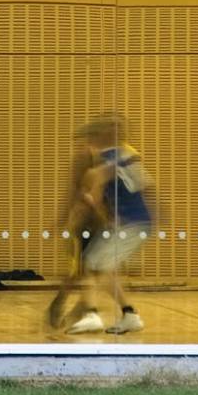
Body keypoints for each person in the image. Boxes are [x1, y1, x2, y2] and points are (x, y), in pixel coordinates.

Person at [65, 114, 153, 335]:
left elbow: (97, 193)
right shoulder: (127, 155)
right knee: (99, 266)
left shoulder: (109, 160)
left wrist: (86, 200)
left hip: (130, 223)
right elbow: (143, 186)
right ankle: (129, 314)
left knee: (94, 263)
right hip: (132, 222)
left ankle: (92, 315)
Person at [44, 133, 105, 332]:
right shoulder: (88, 180)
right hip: (84, 228)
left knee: (92, 273)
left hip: (95, 228)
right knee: (79, 272)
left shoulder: (99, 175)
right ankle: (62, 305)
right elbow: (77, 201)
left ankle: (78, 310)